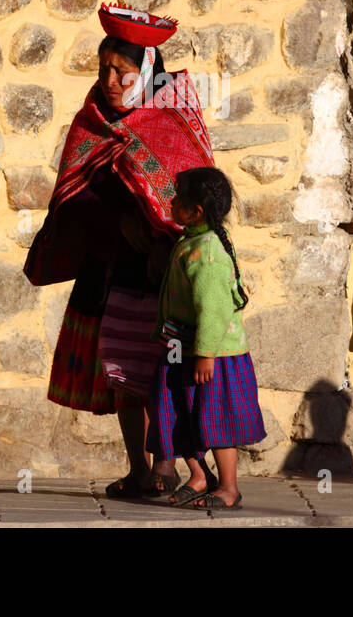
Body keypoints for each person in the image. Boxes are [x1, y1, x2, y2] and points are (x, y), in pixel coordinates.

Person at [25, 1, 216, 499]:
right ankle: (138, 468)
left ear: (147, 71)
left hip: (162, 273)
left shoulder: (172, 116)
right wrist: (117, 218)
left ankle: (166, 464)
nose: (110, 80)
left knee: (162, 371)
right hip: (109, 267)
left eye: (122, 71)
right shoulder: (91, 120)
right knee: (123, 374)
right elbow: (75, 194)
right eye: (104, 68)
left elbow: (195, 196)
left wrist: (158, 237)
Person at [149, 166, 266, 510]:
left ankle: (229, 487)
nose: (171, 202)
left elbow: (213, 309)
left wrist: (205, 355)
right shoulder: (191, 241)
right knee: (178, 413)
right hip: (179, 348)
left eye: (177, 199)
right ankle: (200, 476)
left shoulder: (208, 251)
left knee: (217, 419)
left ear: (195, 211)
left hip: (212, 355)